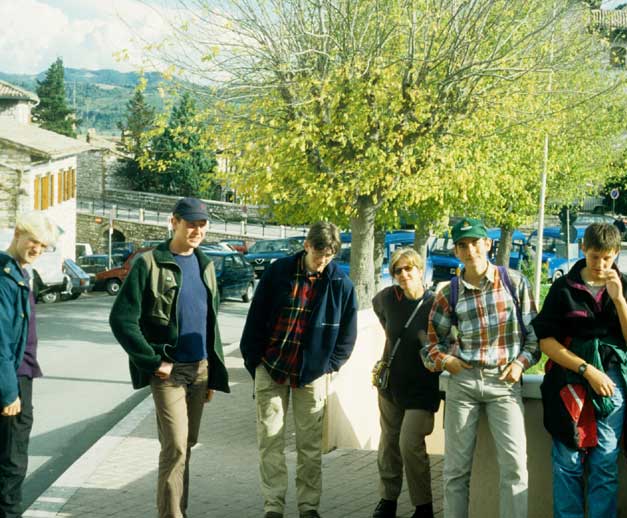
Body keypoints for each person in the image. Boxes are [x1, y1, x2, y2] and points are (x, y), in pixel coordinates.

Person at [109, 197, 230, 518]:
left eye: (202, 224)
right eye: (190, 223)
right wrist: (152, 362)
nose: (197, 230)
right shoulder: (148, 264)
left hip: (200, 369)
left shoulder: (206, 265)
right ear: (173, 222)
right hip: (168, 372)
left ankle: (178, 510)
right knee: (175, 446)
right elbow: (121, 320)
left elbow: (210, 324)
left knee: (186, 446)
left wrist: (211, 374)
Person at [240, 221, 358, 518]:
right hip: (272, 367)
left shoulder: (340, 285)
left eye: (329, 256)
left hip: (311, 375)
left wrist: (329, 366)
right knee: (270, 441)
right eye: (319, 254)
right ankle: (273, 506)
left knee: (309, 447)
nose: (322, 262)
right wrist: (254, 361)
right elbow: (255, 319)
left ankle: (308, 507)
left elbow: (347, 334)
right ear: (307, 245)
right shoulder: (279, 272)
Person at [534, 223, 627, 518]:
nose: (600, 265)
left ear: (616, 254)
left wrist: (619, 298)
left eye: (607, 258)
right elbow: (546, 340)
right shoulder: (564, 288)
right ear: (584, 249)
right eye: (594, 257)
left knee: (604, 461)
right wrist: (586, 370)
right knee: (567, 460)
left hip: (612, 377)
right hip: (568, 377)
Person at [424, 217, 538, 518]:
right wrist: (446, 360)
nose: (470, 249)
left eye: (475, 242)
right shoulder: (448, 293)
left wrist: (519, 364)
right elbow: (431, 346)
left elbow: (535, 337)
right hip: (464, 384)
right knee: (455, 471)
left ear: (487, 244)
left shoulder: (514, 282)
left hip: (504, 383)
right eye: (462, 245)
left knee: (515, 468)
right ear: (456, 251)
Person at [372, 249, 439, 518]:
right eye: (397, 271)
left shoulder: (436, 303)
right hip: (391, 386)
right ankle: (387, 501)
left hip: (423, 388)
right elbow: (382, 316)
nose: (403, 275)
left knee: (409, 444)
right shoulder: (388, 298)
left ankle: (423, 506)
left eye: (408, 269)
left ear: (420, 270)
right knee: (388, 445)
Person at [0, 212, 57, 518]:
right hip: (11, 379)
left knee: (11, 460)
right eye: (33, 241)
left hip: (18, 375)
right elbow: (0, 340)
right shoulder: (3, 277)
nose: (37, 248)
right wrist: (9, 392)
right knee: (12, 461)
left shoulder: (22, 272)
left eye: (43, 245)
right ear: (18, 234)